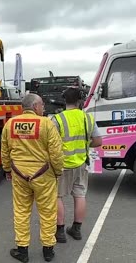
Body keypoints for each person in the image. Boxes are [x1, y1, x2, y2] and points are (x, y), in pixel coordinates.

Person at [1, 93, 64, 262]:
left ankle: (22, 250)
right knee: (47, 212)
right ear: (35, 106)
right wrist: (57, 171)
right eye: (42, 105)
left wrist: (7, 169)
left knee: (21, 211)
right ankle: (48, 250)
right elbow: (56, 153)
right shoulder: (46, 124)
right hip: (44, 175)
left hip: (19, 174)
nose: (43, 108)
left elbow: (5, 150)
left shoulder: (10, 124)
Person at [51, 87, 102, 243]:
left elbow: (50, 144)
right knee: (80, 195)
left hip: (62, 165)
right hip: (81, 163)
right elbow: (98, 142)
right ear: (80, 101)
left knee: (57, 197)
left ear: (64, 100)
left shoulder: (57, 119)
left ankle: (60, 232)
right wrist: (85, 145)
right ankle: (76, 229)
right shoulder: (88, 118)